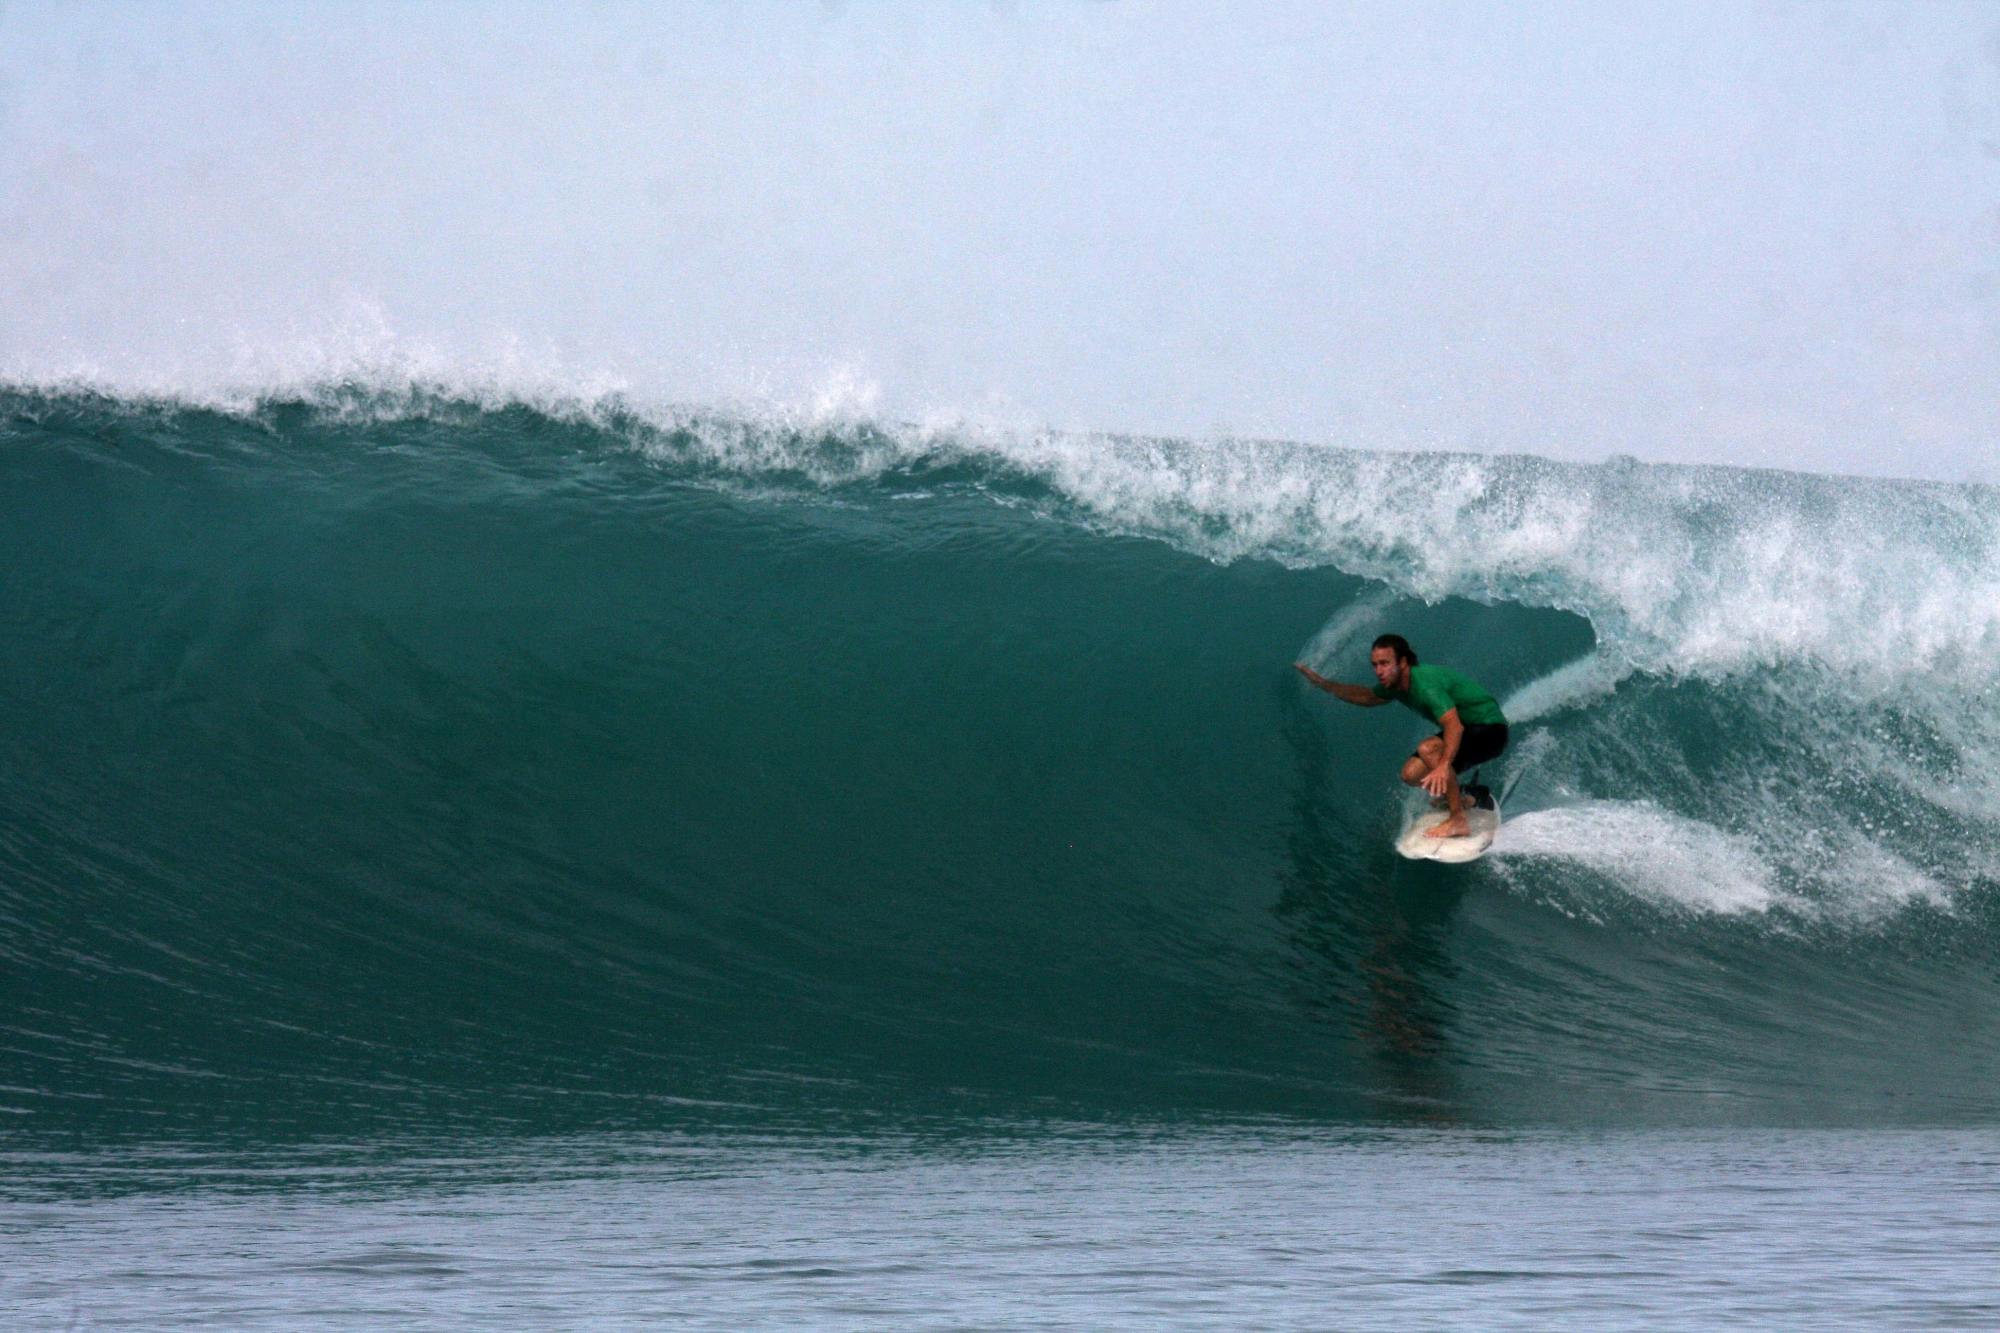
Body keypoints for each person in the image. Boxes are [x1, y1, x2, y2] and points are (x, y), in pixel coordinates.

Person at [1293, 634, 1508, 838]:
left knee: (1429, 749)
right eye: (1375, 665)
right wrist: (1322, 683)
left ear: (1403, 662)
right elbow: (1366, 696)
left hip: (1490, 729)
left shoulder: (1424, 685)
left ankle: (1458, 820)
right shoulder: (1396, 686)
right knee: (1411, 774)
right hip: (1468, 729)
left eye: (1385, 663)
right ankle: (1464, 798)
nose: (1378, 670)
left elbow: (1454, 726)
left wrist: (1444, 766)